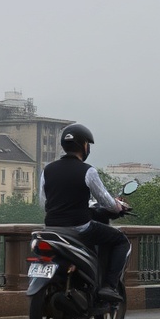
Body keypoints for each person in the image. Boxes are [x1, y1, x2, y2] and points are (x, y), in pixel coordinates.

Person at [38, 123, 129, 302]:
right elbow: (105, 201)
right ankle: (109, 286)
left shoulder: (47, 170)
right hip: (80, 228)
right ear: (84, 146)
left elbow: (43, 203)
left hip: (52, 228)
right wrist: (118, 206)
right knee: (121, 241)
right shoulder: (88, 171)